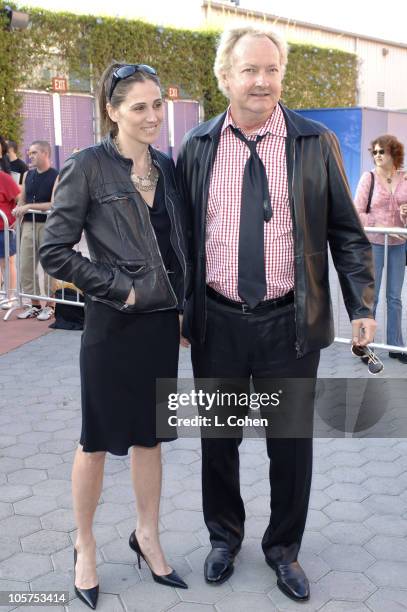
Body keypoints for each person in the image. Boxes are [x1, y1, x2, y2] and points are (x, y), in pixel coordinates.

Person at [176, 25, 376, 603]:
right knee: (219, 440)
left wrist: (361, 303)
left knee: (289, 444)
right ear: (225, 78)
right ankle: (224, 536)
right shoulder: (197, 146)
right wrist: (179, 310)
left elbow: (348, 232)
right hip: (217, 322)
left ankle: (283, 548)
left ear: (281, 75)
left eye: (271, 70)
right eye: (249, 70)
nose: (261, 81)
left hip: (290, 323)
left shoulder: (314, 142)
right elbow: (183, 238)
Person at [40, 62, 190, 609]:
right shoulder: (87, 168)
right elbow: (53, 250)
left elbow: (177, 247)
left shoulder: (168, 168)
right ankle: (84, 546)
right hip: (112, 322)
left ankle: (146, 535)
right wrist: (119, 289)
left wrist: (182, 306)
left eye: (157, 106)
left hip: (158, 326)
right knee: (97, 439)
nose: (152, 117)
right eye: (138, 107)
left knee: (152, 438)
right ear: (112, 111)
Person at [354, 135, 407, 364]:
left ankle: (396, 346)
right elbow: (357, 212)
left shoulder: (405, 179)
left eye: (381, 151)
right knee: (372, 298)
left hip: (399, 245)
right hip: (374, 243)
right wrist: (381, 226)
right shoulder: (369, 178)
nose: (377, 155)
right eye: (374, 152)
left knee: (394, 298)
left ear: (393, 153)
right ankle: (367, 346)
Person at [12, 140, 58, 321]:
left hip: (47, 225)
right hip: (28, 225)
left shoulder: (56, 175)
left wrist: (29, 206)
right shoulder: (28, 175)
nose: (30, 156)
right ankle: (35, 304)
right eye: (29, 153)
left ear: (45, 154)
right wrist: (19, 209)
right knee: (26, 266)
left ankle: (51, 305)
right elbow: (22, 200)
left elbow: (54, 203)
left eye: (34, 153)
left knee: (48, 265)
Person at [0, 136, 20, 308]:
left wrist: (15, 216)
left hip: (4, 228)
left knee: (8, 262)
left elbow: (20, 197)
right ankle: (2, 294)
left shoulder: (4, 178)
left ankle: (11, 295)